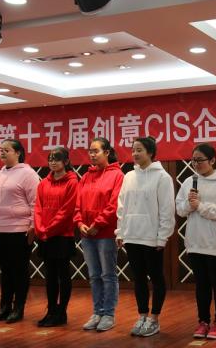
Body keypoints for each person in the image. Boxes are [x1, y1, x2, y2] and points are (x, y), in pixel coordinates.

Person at [116, 136, 175, 337]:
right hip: (132, 235)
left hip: (152, 237)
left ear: (150, 152)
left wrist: (162, 236)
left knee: (156, 278)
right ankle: (142, 316)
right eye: (133, 150)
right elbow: (122, 206)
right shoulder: (129, 176)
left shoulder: (162, 177)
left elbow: (167, 209)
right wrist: (120, 231)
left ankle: (154, 319)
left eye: (139, 150)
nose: (135, 153)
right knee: (139, 279)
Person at [176, 143, 216, 340]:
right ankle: (203, 321)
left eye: (200, 160)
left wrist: (200, 206)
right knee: (201, 284)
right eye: (193, 160)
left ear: (212, 160)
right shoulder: (189, 181)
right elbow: (180, 209)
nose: (196, 164)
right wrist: (190, 205)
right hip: (195, 241)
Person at [0, 139, 40, 324]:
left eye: (6, 150)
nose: (2, 152)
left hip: (19, 229)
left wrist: (32, 225)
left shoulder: (28, 174)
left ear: (18, 153)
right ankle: (4, 306)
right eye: (0, 150)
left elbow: (35, 202)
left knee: (19, 270)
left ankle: (18, 308)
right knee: (5, 270)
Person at [74, 137, 124, 332]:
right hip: (87, 234)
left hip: (105, 233)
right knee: (94, 275)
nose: (92, 155)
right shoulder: (86, 176)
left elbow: (114, 205)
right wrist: (80, 223)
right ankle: (97, 312)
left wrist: (97, 224)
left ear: (107, 152)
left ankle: (108, 314)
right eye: (90, 151)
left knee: (108, 275)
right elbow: (77, 204)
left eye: (96, 151)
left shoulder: (117, 175)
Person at [34, 147, 78, 327]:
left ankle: (61, 312)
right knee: (50, 276)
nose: (52, 162)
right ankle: (51, 310)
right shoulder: (43, 183)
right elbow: (38, 208)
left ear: (66, 161)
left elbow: (67, 211)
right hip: (45, 235)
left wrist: (48, 229)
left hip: (62, 235)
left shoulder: (72, 182)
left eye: (57, 159)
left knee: (63, 275)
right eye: (50, 159)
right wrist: (40, 229)